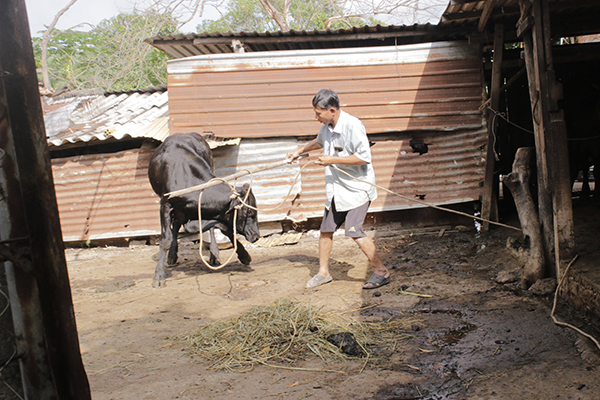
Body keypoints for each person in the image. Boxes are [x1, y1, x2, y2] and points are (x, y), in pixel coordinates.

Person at [286, 89, 391, 290]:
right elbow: (318, 142)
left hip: (357, 189)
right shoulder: (327, 127)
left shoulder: (353, 126)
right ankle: (323, 273)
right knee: (326, 230)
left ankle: (381, 271)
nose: (316, 117)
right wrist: (298, 151)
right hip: (337, 190)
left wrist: (332, 159)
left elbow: (364, 157)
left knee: (354, 230)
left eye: (318, 113)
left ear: (332, 110)